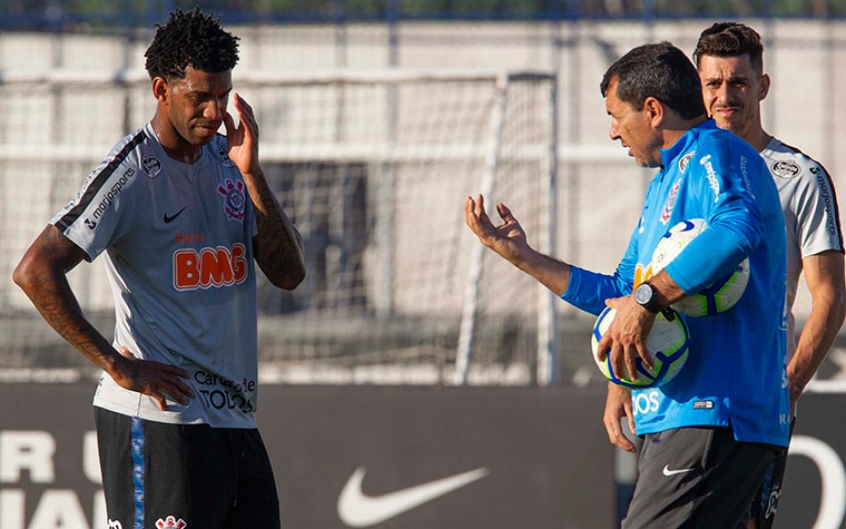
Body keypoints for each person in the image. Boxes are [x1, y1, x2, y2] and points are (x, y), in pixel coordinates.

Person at [466, 41, 790, 527]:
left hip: (714, 413)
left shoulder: (717, 150)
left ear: (653, 110)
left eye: (617, 115)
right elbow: (621, 290)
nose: (614, 131)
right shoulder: (664, 181)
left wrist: (648, 298)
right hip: (680, 415)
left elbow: (737, 228)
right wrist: (525, 258)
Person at [12, 8, 305, 528]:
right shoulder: (130, 173)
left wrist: (253, 174)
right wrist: (116, 365)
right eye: (199, 97)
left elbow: (289, 274)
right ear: (161, 91)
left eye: (223, 95)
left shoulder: (231, 162)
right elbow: (35, 270)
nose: (215, 112)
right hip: (162, 420)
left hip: (235, 420)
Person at [695, 22, 844, 528]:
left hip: (757, 403)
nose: (725, 95)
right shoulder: (681, 171)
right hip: (681, 398)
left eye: (738, 82)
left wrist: (791, 384)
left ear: (763, 86)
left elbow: (830, 295)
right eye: (713, 84)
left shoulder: (801, 177)